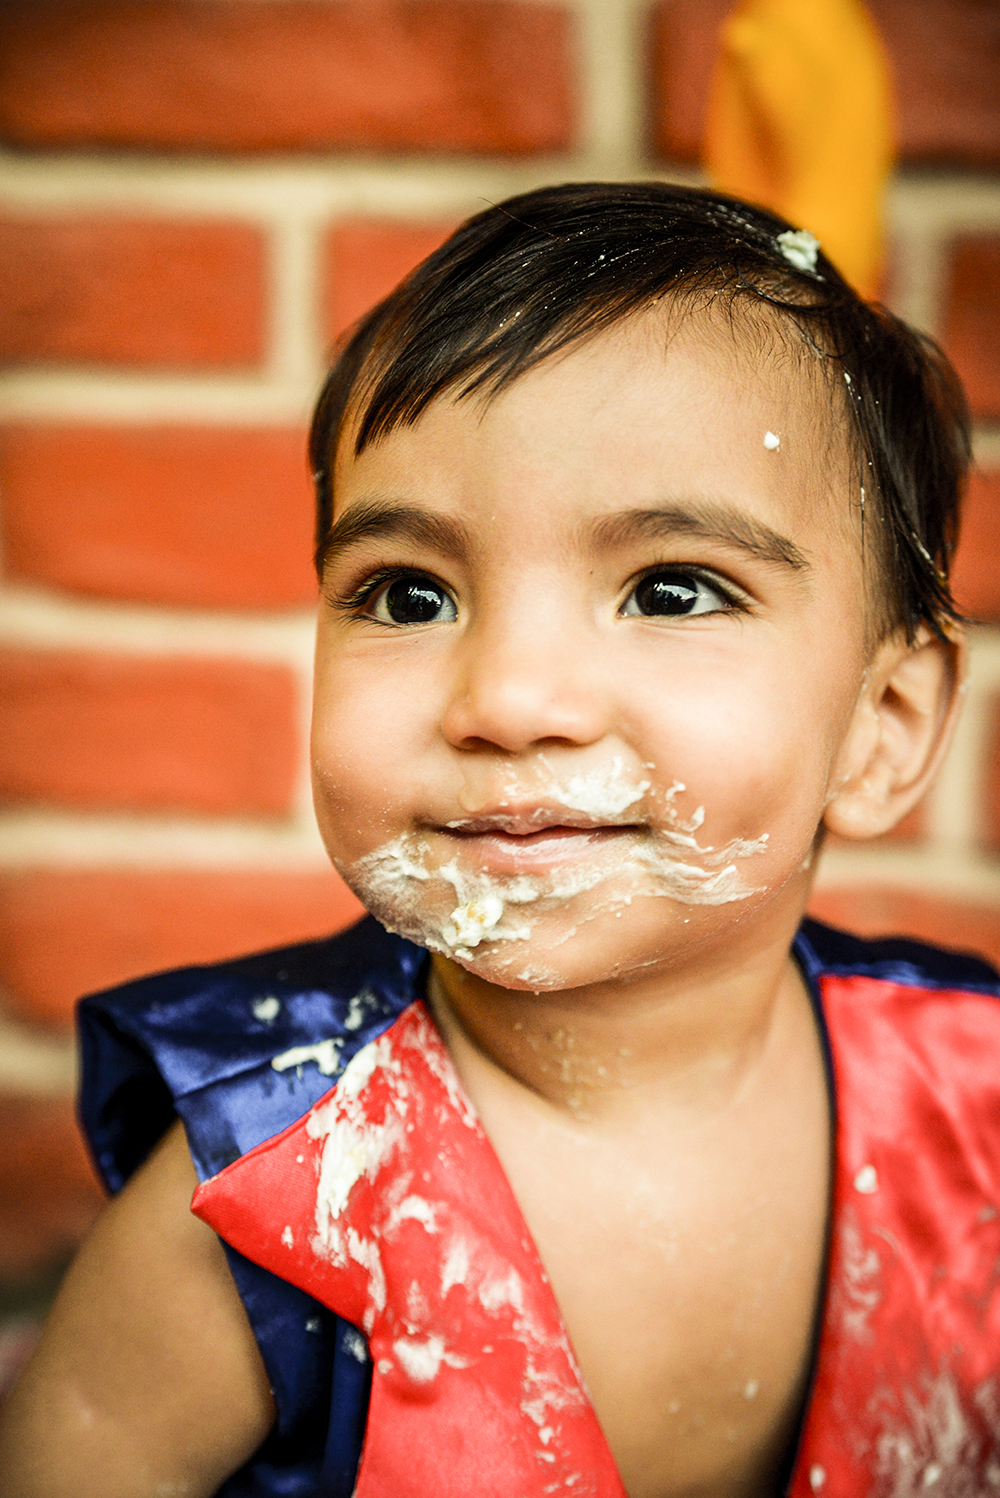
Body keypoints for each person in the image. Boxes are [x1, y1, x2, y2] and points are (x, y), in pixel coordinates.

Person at [1, 182, 997, 1498]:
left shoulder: (974, 1113)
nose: (510, 698)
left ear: (879, 727)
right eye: (408, 594)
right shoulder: (263, 1212)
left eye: (671, 587)